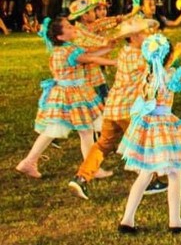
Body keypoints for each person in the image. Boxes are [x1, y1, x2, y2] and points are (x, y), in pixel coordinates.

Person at [116, 33, 181, 234]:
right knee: (174, 172)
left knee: (145, 173)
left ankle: (127, 219)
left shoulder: (148, 73)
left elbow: (163, 61)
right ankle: (175, 221)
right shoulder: (170, 75)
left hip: (146, 127)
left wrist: (176, 52)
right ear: (166, 57)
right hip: (162, 128)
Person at [68, 17, 164, 199]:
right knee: (144, 144)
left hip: (112, 109)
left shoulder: (125, 52)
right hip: (128, 110)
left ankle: (81, 177)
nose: (148, 35)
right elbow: (160, 68)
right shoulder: (139, 57)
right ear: (134, 37)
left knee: (103, 144)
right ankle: (150, 181)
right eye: (144, 33)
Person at [15, 17, 115, 178]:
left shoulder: (63, 49)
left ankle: (29, 161)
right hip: (74, 95)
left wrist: (107, 47)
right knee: (85, 130)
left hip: (63, 93)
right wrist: (115, 62)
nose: (73, 28)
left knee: (56, 130)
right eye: (68, 27)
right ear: (61, 36)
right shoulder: (70, 51)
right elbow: (91, 58)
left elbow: (89, 55)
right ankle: (91, 169)